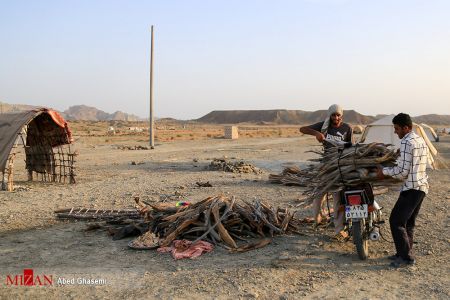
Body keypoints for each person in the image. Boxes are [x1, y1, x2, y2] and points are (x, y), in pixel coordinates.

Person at [376, 113, 428, 268]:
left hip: (412, 187)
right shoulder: (419, 139)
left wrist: (383, 172)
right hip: (421, 187)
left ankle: (406, 258)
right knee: (408, 223)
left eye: (397, 128)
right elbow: (412, 163)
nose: (395, 131)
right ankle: (403, 252)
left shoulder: (407, 142)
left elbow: (402, 172)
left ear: (406, 128)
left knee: (396, 221)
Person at [300, 104, 353, 240]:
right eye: (333, 115)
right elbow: (302, 129)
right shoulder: (324, 125)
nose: (336, 118)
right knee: (320, 192)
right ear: (329, 115)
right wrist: (317, 133)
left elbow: (351, 146)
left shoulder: (347, 128)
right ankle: (317, 218)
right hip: (326, 164)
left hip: (340, 165)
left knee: (337, 196)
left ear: (342, 115)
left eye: (338, 115)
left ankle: (338, 230)